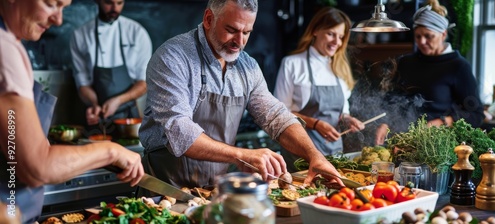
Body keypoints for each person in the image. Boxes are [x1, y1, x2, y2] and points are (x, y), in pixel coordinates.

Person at [138, 0, 343, 192]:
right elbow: (180, 130)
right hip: (165, 189)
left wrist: (314, 155)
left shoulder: (247, 66)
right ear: (209, 19)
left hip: (215, 190)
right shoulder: (173, 57)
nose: (239, 41)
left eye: (247, 32)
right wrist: (242, 155)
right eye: (231, 30)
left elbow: (276, 116)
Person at [0, 0, 144, 222]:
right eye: (50, 4)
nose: (58, 20)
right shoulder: (5, 51)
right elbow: (38, 167)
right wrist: (111, 151)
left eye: (63, 7)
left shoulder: (12, 43)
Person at [375, 0, 485, 145]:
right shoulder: (406, 63)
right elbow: (393, 99)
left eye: (428, 36)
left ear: (443, 34)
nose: (422, 41)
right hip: (401, 142)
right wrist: (384, 122)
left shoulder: (458, 66)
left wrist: (443, 121)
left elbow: (476, 114)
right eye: (418, 36)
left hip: (437, 146)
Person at [273, 7, 365, 171]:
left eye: (341, 37)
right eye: (331, 33)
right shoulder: (292, 64)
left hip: (334, 155)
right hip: (299, 155)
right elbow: (280, 113)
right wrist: (315, 124)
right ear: (315, 30)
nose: (336, 42)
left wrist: (347, 119)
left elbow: (342, 112)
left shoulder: (340, 68)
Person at [69, 0, 152, 128]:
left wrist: (118, 101)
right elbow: (83, 84)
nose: (115, 8)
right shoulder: (81, 36)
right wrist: (95, 105)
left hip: (129, 120)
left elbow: (144, 83)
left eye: (119, 3)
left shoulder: (137, 33)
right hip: (96, 118)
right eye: (109, 2)